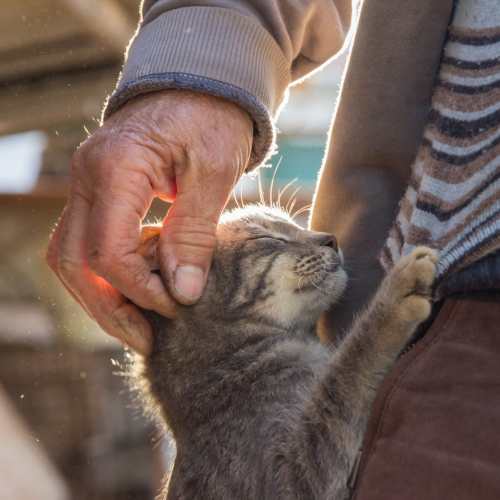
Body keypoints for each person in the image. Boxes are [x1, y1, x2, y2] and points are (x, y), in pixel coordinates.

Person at [48, 0, 500, 498]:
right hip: (461, 302)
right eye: (276, 240)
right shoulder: (230, 394)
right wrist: (202, 63)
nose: (322, 238)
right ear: (191, 279)